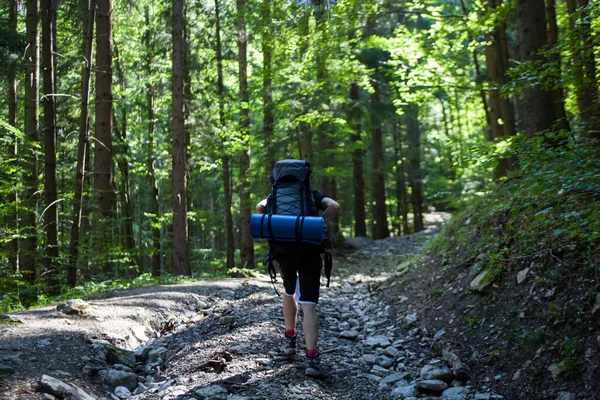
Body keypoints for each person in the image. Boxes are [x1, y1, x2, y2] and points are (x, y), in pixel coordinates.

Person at [256, 190, 340, 378]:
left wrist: (280, 225)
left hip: (284, 250)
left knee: (289, 291)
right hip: (309, 250)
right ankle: (312, 360)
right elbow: (334, 206)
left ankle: (289, 340)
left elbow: (259, 208)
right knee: (308, 304)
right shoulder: (311, 195)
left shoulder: (274, 195)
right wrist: (318, 223)